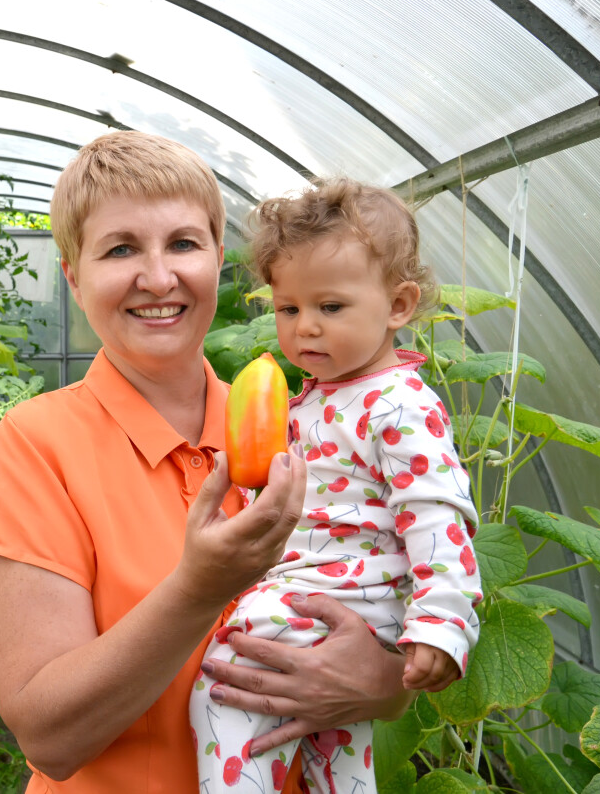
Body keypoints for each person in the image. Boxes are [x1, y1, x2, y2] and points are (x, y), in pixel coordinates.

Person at [0, 133, 413, 793]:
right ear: (73, 276)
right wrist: (199, 589)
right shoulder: (36, 445)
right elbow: (50, 738)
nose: (158, 277)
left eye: (182, 244)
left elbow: (379, 631)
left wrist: (382, 684)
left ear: (217, 260)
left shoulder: (298, 431)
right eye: (120, 249)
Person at [191, 179, 482, 793]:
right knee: (339, 755)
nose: (305, 329)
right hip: (329, 599)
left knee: (225, 685)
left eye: (331, 307)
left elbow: (436, 516)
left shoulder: (397, 404)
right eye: (289, 309)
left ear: (398, 306)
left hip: (340, 602)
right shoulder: (318, 398)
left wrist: (441, 623)